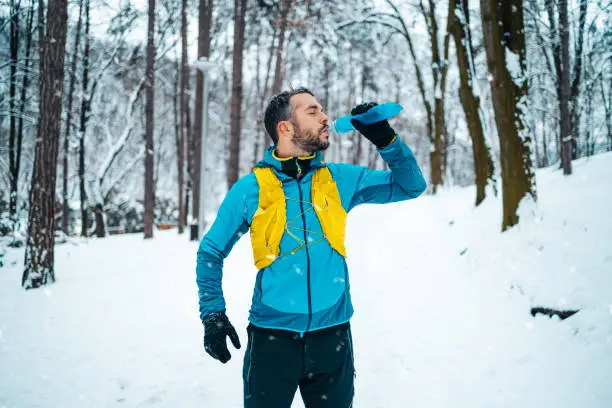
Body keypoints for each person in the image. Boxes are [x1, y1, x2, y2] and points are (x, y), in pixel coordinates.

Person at [196, 87, 427, 408]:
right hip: (271, 342)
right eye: (313, 111)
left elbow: (411, 185)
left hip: (332, 340)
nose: (325, 118)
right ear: (285, 127)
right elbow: (210, 252)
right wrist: (213, 314)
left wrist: (385, 139)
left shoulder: (339, 179)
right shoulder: (251, 189)